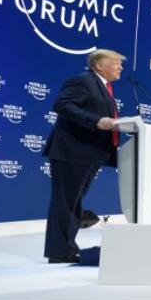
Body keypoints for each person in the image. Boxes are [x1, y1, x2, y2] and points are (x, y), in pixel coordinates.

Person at [42, 49, 124, 263]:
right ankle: (59, 251)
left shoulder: (104, 87)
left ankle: (66, 248)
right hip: (72, 150)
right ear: (99, 65)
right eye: (116, 63)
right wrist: (95, 121)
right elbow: (62, 105)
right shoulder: (83, 81)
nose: (120, 68)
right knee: (65, 202)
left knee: (74, 202)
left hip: (88, 153)